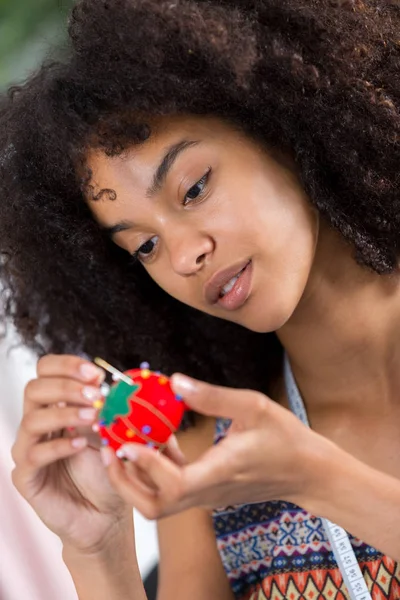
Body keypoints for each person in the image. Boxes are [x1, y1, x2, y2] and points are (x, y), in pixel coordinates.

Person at [2, 0, 400, 598]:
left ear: (281, 123)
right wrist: (97, 552)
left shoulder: (258, 463)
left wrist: (317, 479)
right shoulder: (211, 453)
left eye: (193, 188)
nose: (184, 256)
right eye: (144, 246)